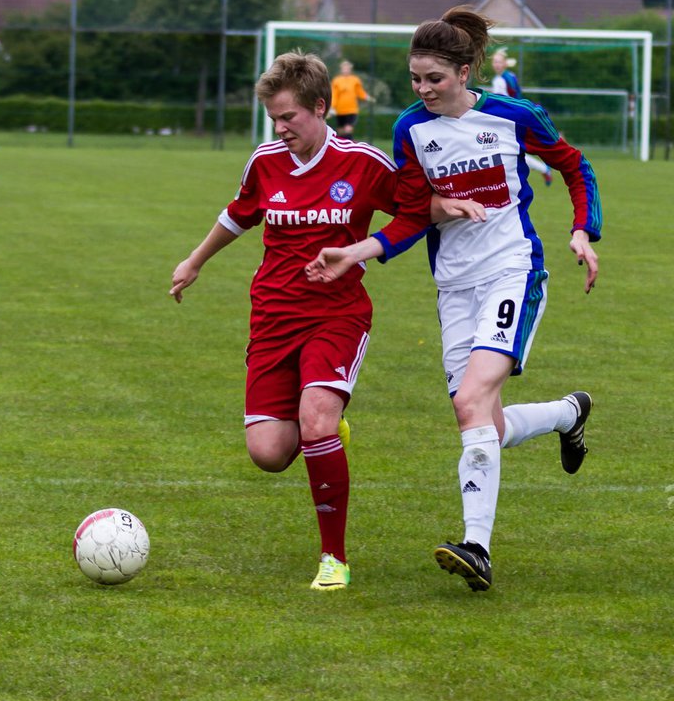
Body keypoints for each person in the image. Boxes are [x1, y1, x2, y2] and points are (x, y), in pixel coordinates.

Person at [306, 6, 602, 592]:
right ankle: (569, 413)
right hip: (453, 287)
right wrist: (356, 251)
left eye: (434, 79)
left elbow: (575, 165)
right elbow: (413, 215)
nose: (423, 90)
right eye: (416, 79)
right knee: (483, 419)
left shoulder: (515, 116)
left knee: (470, 402)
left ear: (465, 71)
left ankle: (477, 548)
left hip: (512, 271)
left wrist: (581, 230)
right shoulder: (410, 129)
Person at [169, 51, 461, 591]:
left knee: (317, 420)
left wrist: (454, 204)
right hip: (272, 318)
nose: (280, 129)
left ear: (320, 108)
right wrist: (195, 260)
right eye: (274, 120)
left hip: (337, 315)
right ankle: (324, 433)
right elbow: (239, 213)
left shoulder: (363, 162)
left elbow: (411, 207)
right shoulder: (264, 162)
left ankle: (334, 558)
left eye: (289, 118)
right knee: (269, 453)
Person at [490, 48, 553, 187]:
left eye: (499, 62)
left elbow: (502, 101)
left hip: (508, 119)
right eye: (494, 62)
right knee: (514, 149)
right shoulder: (509, 76)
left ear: (505, 63)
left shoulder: (500, 79)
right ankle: (543, 169)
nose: (496, 64)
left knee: (512, 150)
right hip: (513, 116)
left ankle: (541, 169)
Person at [330, 60, 369, 139]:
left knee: (348, 130)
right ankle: (342, 149)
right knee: (340, 132)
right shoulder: (336, 81)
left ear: (350, 69)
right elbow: (334, 95)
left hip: (351, 110)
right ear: (341, 69)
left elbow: (360, 92)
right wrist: (332, 107)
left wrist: (367, 97)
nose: (346, 70)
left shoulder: (355, 80)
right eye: (344, 68)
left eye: (347, 68)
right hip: (340, 110)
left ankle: (349, 149)